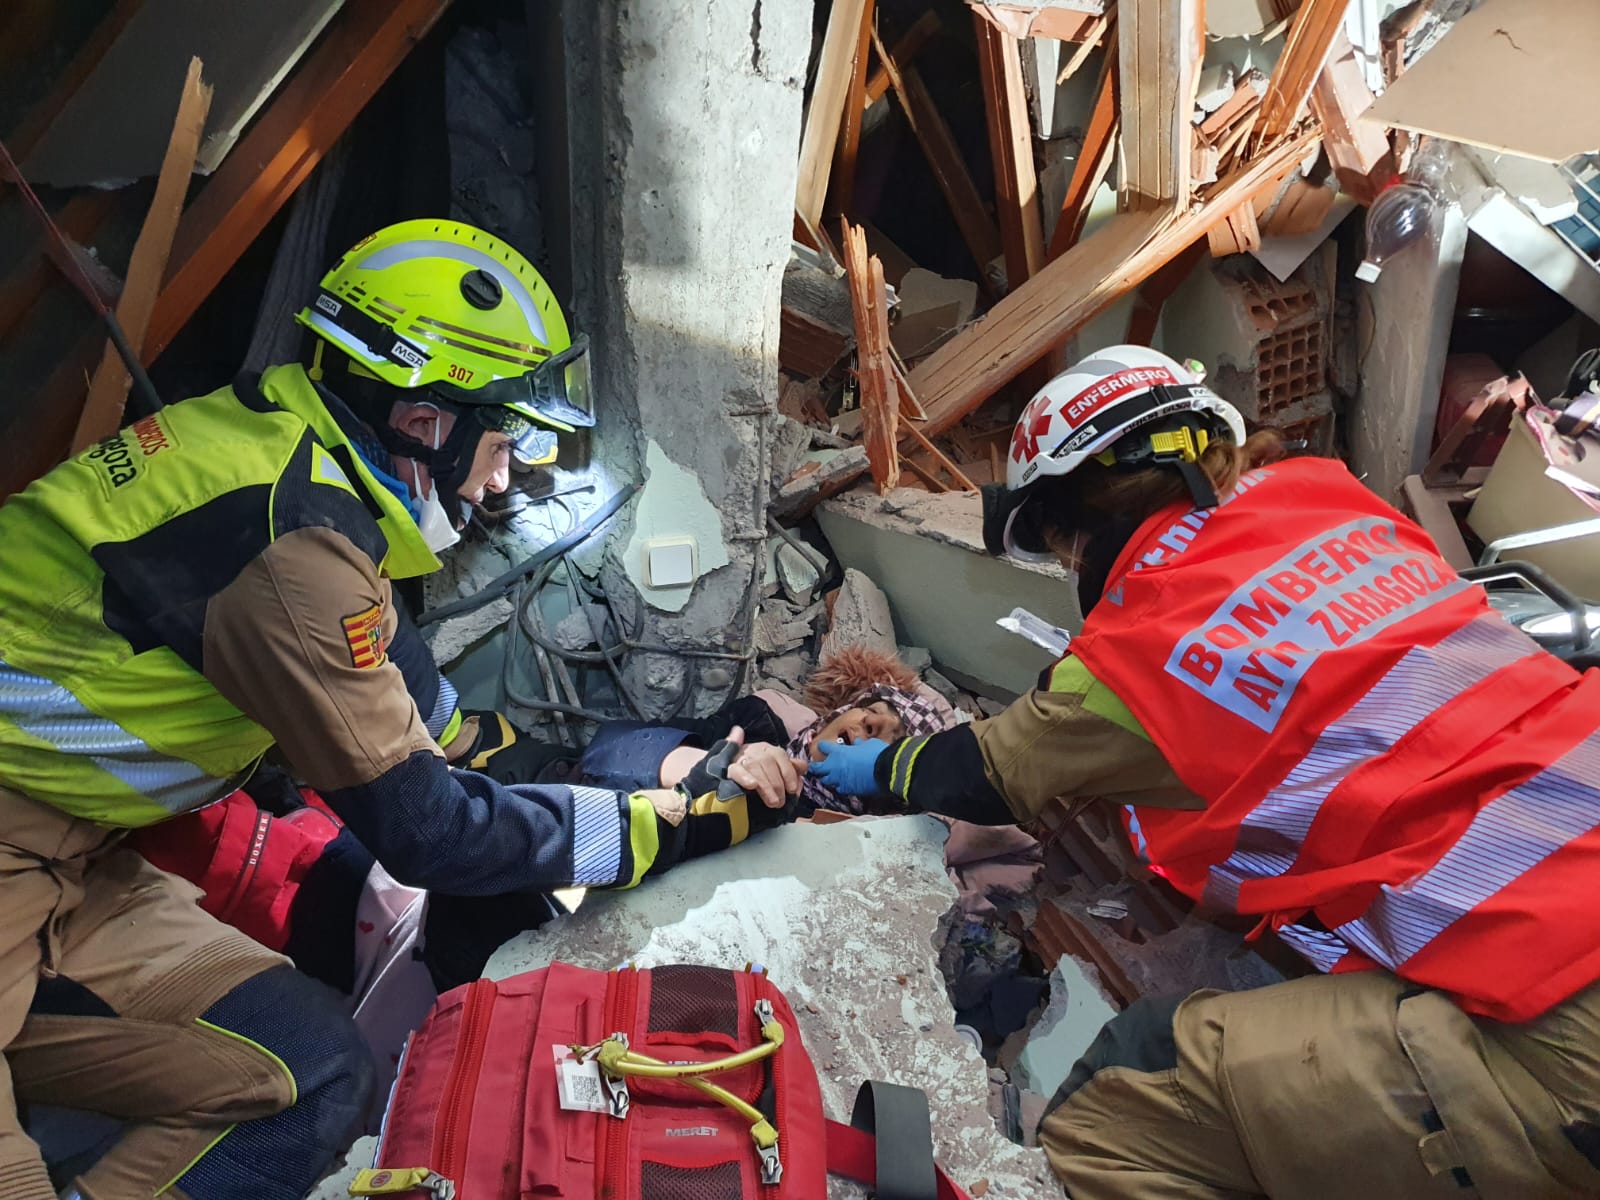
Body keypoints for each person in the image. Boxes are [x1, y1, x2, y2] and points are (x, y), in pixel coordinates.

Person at [0, 220, 791, 1200]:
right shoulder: (293, 555)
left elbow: (462, 740)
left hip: (76, 853)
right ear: (426, 422)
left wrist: (669, 768)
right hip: (21, 845)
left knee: (311, 1076)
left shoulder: (309, 482)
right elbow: (432, 832)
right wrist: (666, 828)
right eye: (501, 443)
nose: (502, 477)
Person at [809, 345, 1600, 1199]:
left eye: (1060, 544)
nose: (1072, 567)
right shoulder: (1337, 503)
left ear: (1079, 518)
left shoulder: (1140, 647)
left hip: (1552, 1007)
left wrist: (879, 764)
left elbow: (983, 774)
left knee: (1127, 1094)